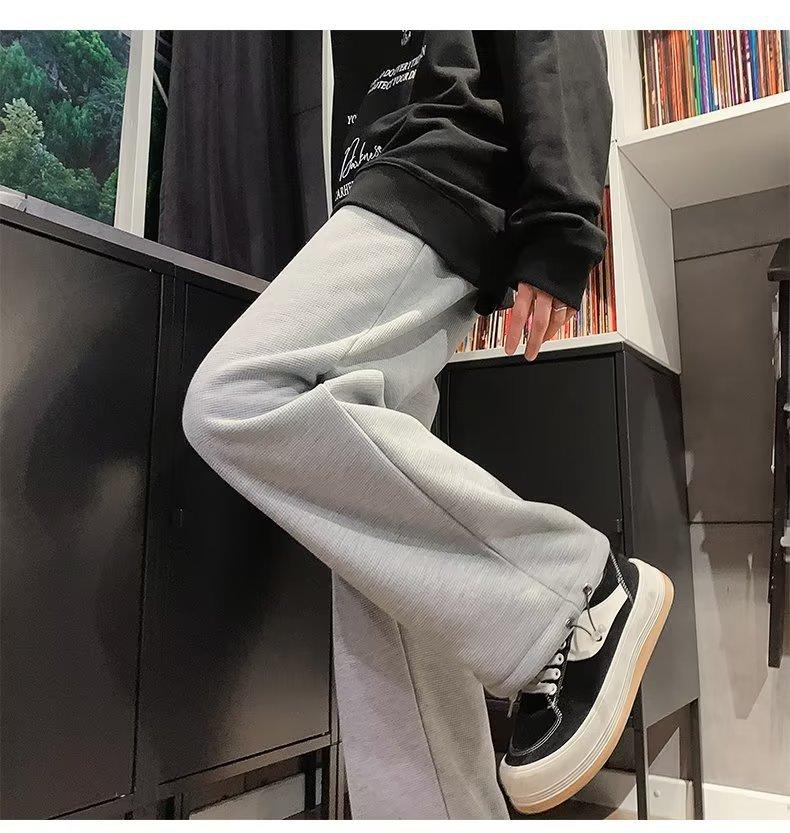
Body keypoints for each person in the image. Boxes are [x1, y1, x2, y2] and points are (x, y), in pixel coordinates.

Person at [181, 30, 673, 820]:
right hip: (392, 182)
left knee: (238, 394)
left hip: (444, 169)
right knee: (387, 573)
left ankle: (574, 599)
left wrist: (562, 221)